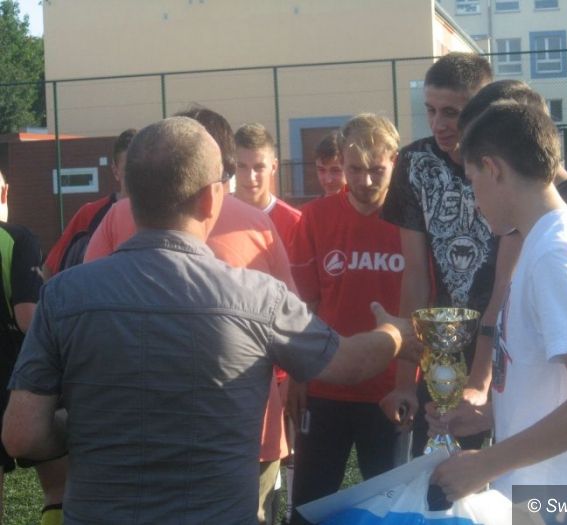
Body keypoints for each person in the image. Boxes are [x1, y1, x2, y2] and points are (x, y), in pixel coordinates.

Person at [2, 117, 418, 524]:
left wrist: (84, 431)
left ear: (130, 192)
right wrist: (395, 332)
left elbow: (21, 434)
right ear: (211, 199)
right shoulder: (258, 296)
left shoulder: (62, 295)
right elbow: (349, 362)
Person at [83, 107, 293, 525]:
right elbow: (289, 333)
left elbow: (90, 310)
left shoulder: (120, 215)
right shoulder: (258, 224)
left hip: (143, 424)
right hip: (244, 428)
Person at [428, 102, 567, 502]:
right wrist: (490, 414)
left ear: (493, 168)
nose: (475, 200)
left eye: (472, 180)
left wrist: (486, 463)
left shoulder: (556, 250)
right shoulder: (552, 238)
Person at [381, 52, 519, 455]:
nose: (438, 124)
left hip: (510, 341)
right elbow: (415, 274)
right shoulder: (414, 163)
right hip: (442, 347)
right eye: (431, 110)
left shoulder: (509, 164)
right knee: (437, 467)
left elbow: (506, 281)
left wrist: (481, 377)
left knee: (509, 470)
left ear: (483, 109)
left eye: (451, 112)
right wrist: (405, 380)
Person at [288, 114, 406, 523]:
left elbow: (422, 308)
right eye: (355, 169)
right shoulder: (316, 218)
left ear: (394, 161)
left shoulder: (412, 221)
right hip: (326, 385)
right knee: (307, 506)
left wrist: (409, 383)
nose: (365, 181)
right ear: (341, 161)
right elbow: (302, 306)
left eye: (377, 170)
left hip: (390, 390)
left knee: (391, 509)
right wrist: (297, 375)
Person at [0, 171, 63, 525]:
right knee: (59, 485)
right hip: (17, 379)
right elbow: (28, 318)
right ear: (5, 192)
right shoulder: (16, 238)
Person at [43, 129, 137, 279]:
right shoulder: (90, 214)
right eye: (129, 170)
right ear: (115, 171)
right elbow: (49, 268)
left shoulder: (164, 212)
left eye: (143, 167)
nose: (137, 175)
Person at [234, 123, 301, 251]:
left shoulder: (295, 223)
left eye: (259, 167)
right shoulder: (212, 215)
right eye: (241, 166)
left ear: (274, 167)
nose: (250, 177)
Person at [313, 131, 345, 197]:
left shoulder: (366, 203)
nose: (328, 180)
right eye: (321, 170)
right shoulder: (314, 204)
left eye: (336, 170)